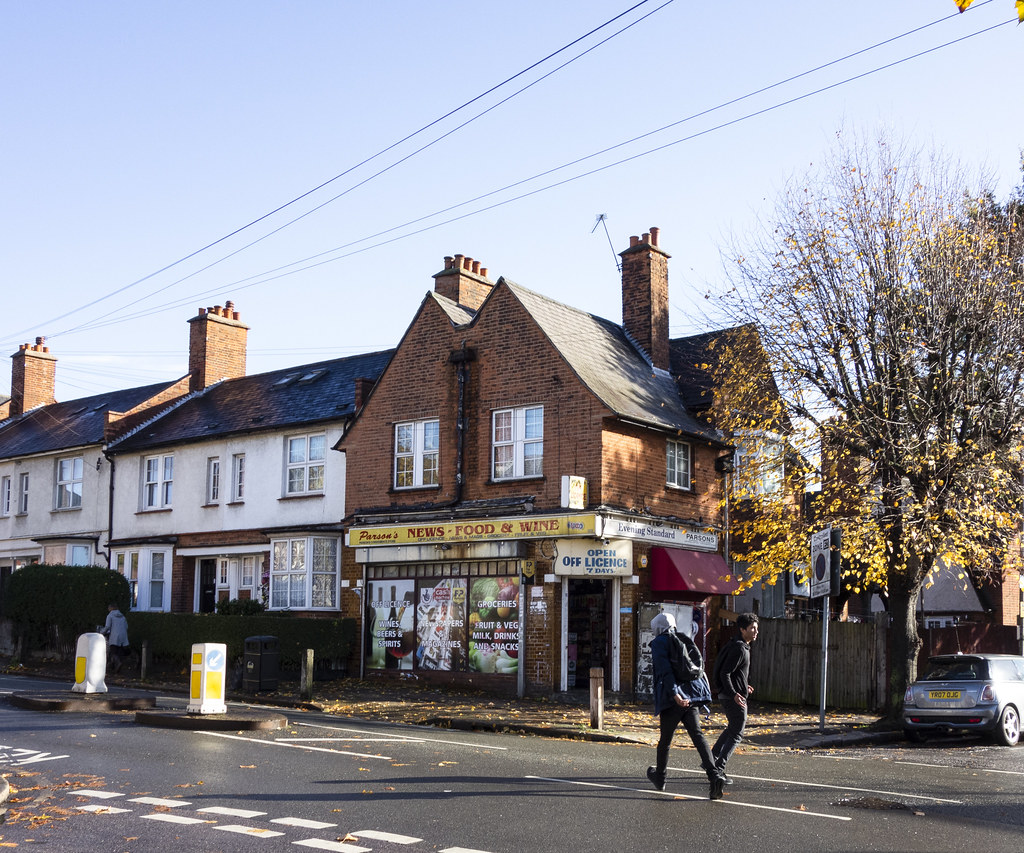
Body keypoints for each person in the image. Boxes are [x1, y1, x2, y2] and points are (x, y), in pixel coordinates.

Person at [646, 612, 726, 800]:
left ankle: (660, 777)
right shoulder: (684, 639)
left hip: (672, 700)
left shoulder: (659, 643)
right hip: (692, 698)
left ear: (658, 627)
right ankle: (714, 776)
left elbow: (665, 672)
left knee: (665, 740)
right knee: (698, 736)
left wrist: (675, 695)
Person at [710, 611, 759, 784]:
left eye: (756, 628)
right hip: (732, 697)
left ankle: (711, 758)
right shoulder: (739, 648)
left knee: (732, 728)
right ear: (742, 629)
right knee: (737, 734)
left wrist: (744, 686)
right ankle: (718, 768)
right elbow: (725, 673)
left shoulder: (738, 645)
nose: (756, 631)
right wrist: (735, 694)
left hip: (732, 694)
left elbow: (734, 673)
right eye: (752, 628)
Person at [101, 603, 130, 674]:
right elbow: (126, 626)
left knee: (113, 652)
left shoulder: (110, 616)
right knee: (119, 652)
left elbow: (107, 626)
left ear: (110, 608)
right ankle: (116, 668)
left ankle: (118, 663)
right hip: (123, 636)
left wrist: (101, 632)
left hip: (114, 636)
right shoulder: (123, 616)